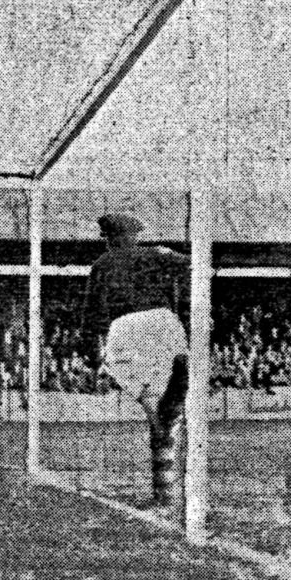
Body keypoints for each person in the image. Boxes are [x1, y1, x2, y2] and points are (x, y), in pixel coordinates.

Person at [80, 213, 190, 509]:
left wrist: (91, 350)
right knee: (168, 407)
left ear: (110, 238)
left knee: (154, 409)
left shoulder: (102, 265)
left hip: (127, 329)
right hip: (165, 324)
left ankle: (165, 490)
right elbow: (192, 263)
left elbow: (93, 313)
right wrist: (169, 256)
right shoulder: (156, 253)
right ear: (135, 235)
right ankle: (174, 404)